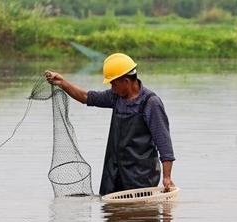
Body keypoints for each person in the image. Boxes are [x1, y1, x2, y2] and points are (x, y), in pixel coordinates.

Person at [45, 53, 175, 195]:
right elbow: (86, 97)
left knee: (139, 215)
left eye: (113, 83)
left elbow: (164, 143)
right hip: (114, 174)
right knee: (111, 214)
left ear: (126, 81)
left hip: (141, 178)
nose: (112, 88)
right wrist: (63, 83)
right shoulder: (115, 97)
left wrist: (167, 177)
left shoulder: (151, 103)